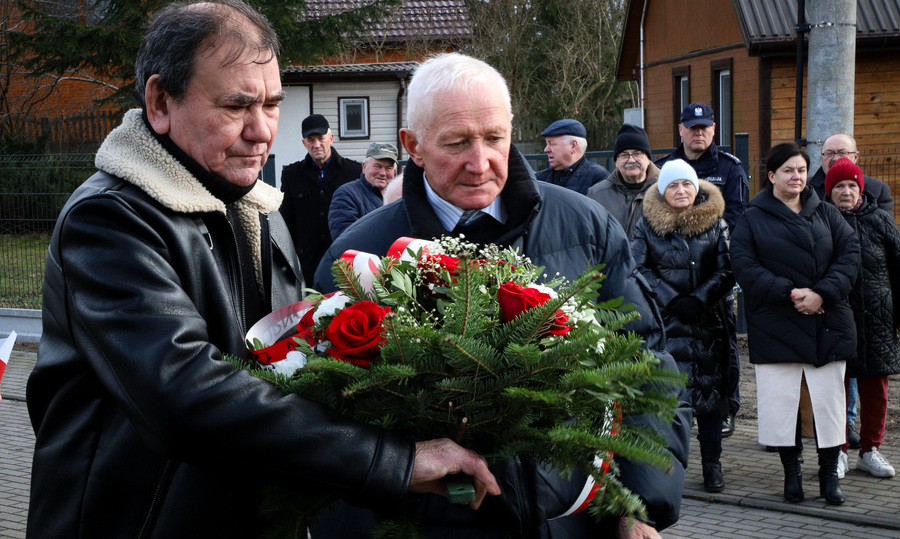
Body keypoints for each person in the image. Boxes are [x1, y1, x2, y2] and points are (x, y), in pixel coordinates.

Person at [24, 3, 500, 538]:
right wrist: (392, 461)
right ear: (160, 102)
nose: (261, 131)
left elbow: (291, 357)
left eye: (272, 104)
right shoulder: (109, 220)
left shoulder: (259, 211)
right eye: (236, 106)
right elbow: (184, 394)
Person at [314, 52, 690, 539]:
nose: (480, 162)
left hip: (570, 523)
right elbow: (328, 412)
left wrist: (638, 505)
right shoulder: (357, 254)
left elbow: (647, 364)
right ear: (414, 146)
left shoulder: (587, 225)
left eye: (494, 137)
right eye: (456, 143)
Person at [730, 142, 859, 506]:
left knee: (830, 406)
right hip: (777, 323)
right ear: (771, 175)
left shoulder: (827, 212)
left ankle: (829, 478)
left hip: (827, 322)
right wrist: (792, 295)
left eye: (801, 170)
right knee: (780, 407)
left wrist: (821, 294)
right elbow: (745, 267)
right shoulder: (752, 218)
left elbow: (850, 256)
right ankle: (792, 478)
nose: (796, 177)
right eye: (788, 170)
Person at [632, 159, 735, 494]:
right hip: (666, 323)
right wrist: (672, 299)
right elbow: (637, 266)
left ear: (696, 188)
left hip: (708, 323)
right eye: (673, 185)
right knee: (668, 400)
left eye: (686, 185)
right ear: (663, 190)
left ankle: (712, 466)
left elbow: (727, 268)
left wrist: (700, 299)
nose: (681, 191)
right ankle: (667, 470)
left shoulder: (716, 222)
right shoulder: (647, 224)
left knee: (710, 397)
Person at [656, 102, 747, 438]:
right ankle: (678, 407)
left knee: (723, 342)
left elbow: (736, 218)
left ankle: (726, 408)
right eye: (692, 128)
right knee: (671, 344)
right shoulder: (662, 167)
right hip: (672, 274)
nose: (698, 134)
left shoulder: (730, 168)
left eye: (704, 128)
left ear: (713, 130)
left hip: (715, 274)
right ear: (680, 130)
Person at [824, 158, 900, 480]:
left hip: (879, 319)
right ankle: (838, 451)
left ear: (861, 188)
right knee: (835, 389)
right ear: (829, 191)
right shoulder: (821, 221)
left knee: (876, 390)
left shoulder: (881, 221)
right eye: (839, 186)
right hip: (838, 320)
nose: (846, 191)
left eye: (852, 185)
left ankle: (869, 450)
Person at [280, 113, 362, 285]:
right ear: (304, 143)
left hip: (345, 261)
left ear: (331, 139)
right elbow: (286, 223)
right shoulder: (291, 175)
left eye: (321, 138)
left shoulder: (354, 172)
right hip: (308, 266)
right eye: (310, 139)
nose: (316, 145)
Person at [587, 123, 660, 238]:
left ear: (648, 159)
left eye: (637, 153)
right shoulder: (597, 195)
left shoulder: (667, 190)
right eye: (624, 155)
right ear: (616, 161)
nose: (631, 160)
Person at [328, 141, 399, 239]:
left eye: (388, 168)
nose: (383, 173)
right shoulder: (346, 195)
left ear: (394, 172)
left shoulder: (399, 196)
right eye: (377, 166)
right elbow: (344, 238)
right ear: (364, 167)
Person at [809, 133, 893, 212]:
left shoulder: (877, 190)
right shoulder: (806, 188)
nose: (835, 158)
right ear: (821, 157)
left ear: (856, 157)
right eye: (829, 153)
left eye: (842, 152)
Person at [534, 118, 609, 195]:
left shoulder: (597, 177)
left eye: (551, 143)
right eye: (547, 144)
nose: (546, 149)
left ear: (573, 146)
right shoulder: (539, 180)